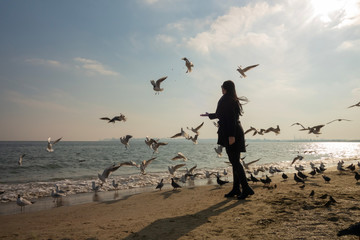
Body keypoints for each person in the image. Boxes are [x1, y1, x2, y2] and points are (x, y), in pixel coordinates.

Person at [201, 80, 254, 200]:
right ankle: (236, 189)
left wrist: (231, 136)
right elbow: (223, 114)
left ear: (225, 88)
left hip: (232, 132)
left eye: (221, 87)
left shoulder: (226, 99)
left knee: (235, 162)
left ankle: (245, 188)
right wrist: (210, 115)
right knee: (235, 161)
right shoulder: (231, 99)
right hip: (235, 131)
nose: (221, 89)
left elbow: (231, 118)